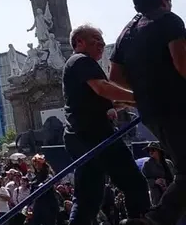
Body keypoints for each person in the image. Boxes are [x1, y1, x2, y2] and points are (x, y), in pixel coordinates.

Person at [109, 0, 186, 225]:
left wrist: (146, 92)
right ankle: (154, 220)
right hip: (177, 105)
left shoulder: (126, 33)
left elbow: (116, 79)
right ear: (163, 0)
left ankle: (155, 220)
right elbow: (183, 64)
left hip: (151, 112)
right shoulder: (169, 20)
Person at [62, 24, 150, 225]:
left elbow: (111, 100)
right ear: (79, 42)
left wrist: (131, 101)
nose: (101, 44)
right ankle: (139, 220)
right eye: (95, 39)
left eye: (102, 41)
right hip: (94, 134)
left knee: (88, 197)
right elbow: (103, 88)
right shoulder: (81, 60)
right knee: (134, 183)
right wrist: (141, 98)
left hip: (78, 134)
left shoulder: (79, 66)